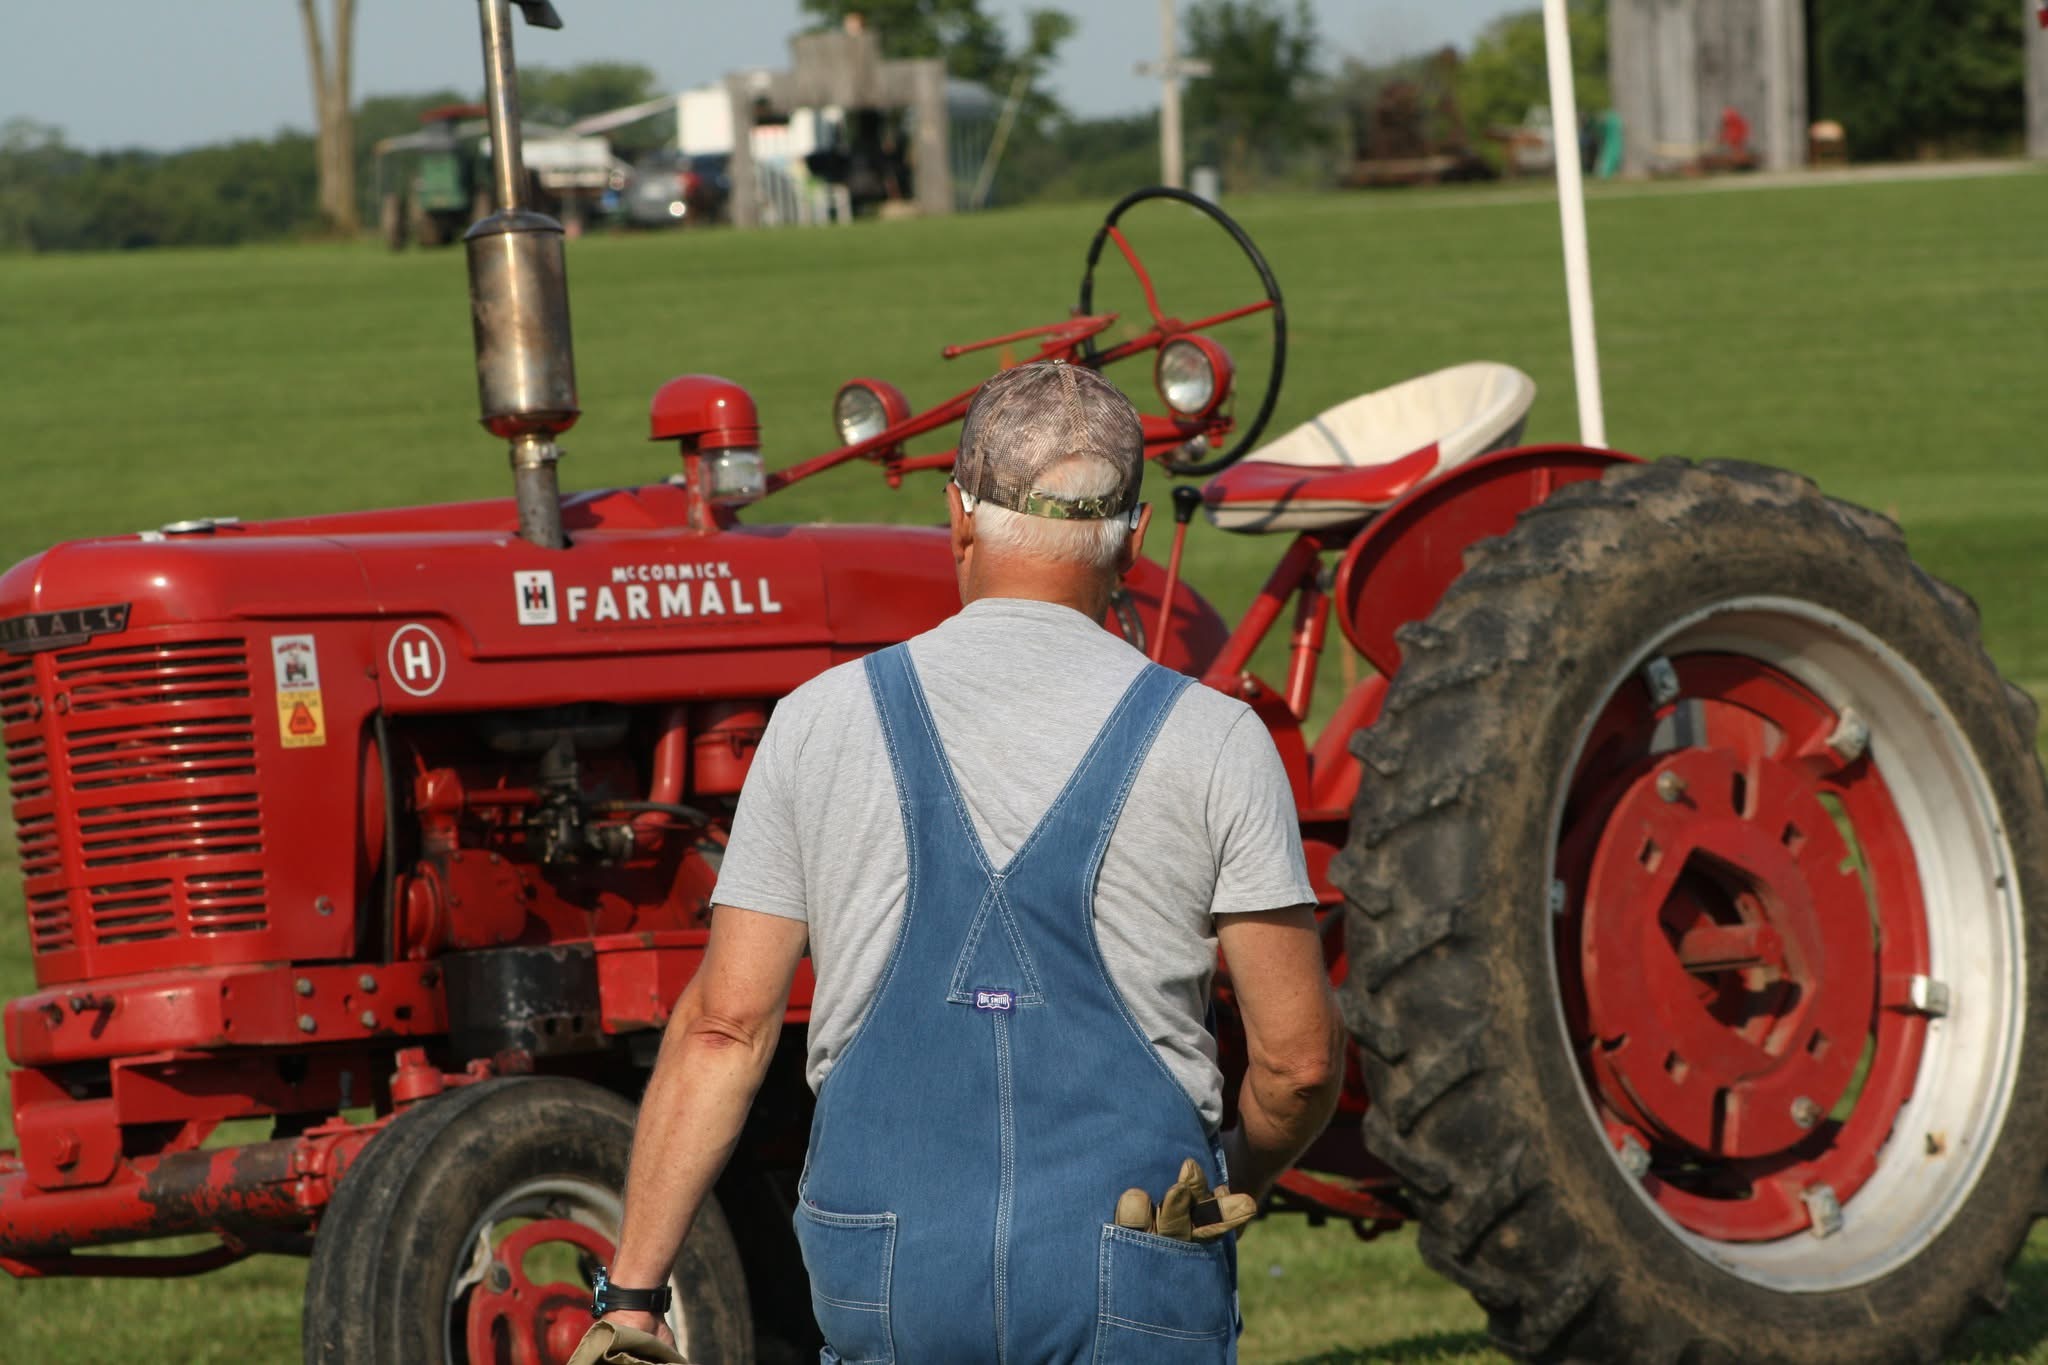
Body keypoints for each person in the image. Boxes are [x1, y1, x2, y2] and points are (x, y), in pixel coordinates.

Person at [597, 360, 1343, 1362]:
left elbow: (724, 1031)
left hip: (886, 1269)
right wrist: (1227, 1184)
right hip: (1132, 1254)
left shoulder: (817, 723)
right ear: (1128, 538)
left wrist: (633, 1294)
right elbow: (1295, 1065)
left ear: (957, 515)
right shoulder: (1214, 741)